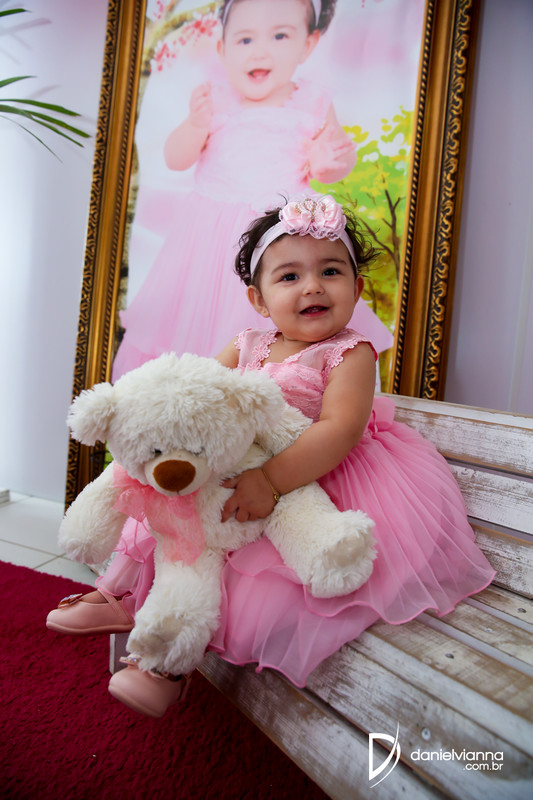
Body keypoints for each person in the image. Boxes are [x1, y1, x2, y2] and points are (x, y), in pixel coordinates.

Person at [47, 195, 495, 717]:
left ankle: (164, 667)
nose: (313, 286)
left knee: (253, 581)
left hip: (309, 476)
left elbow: (341, 430)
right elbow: (198, 391)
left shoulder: (350, 352)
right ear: (259, 300)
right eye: (289, 276)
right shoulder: (248, 342)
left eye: (331, 271)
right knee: (169, 506)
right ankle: (121, 593)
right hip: (232, 472)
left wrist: (271, 480)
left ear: (357, 289)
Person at [111, 0, 393, 381]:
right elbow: (175, 158)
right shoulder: (214, 98)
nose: (260, 51)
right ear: (222, 49)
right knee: (193, 327)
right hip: (207, 242)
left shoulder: (313, 101)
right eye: (245, 40)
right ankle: (185, 394)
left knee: (273, 317)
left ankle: (276, 388)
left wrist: (327, 159)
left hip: (278, 241)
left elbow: (337, 158)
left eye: (280, 36)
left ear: (307, 45)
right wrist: (195, 125)